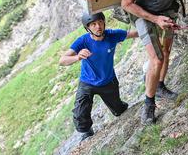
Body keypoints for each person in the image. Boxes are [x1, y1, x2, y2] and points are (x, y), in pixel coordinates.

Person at [59, 12, 138, 141]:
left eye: (100, 22)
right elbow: (62, 60)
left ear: (104, 22)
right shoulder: (83, 41)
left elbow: (134, 34)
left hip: (108, 81)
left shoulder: (112, 35)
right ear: (88, 28)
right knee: (80, 113)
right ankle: (87, 132)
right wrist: (77, 57)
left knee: (119, 110)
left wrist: (155, 25)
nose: (98, 26)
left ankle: (120, 106)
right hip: (87, 83)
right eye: (93, 24)